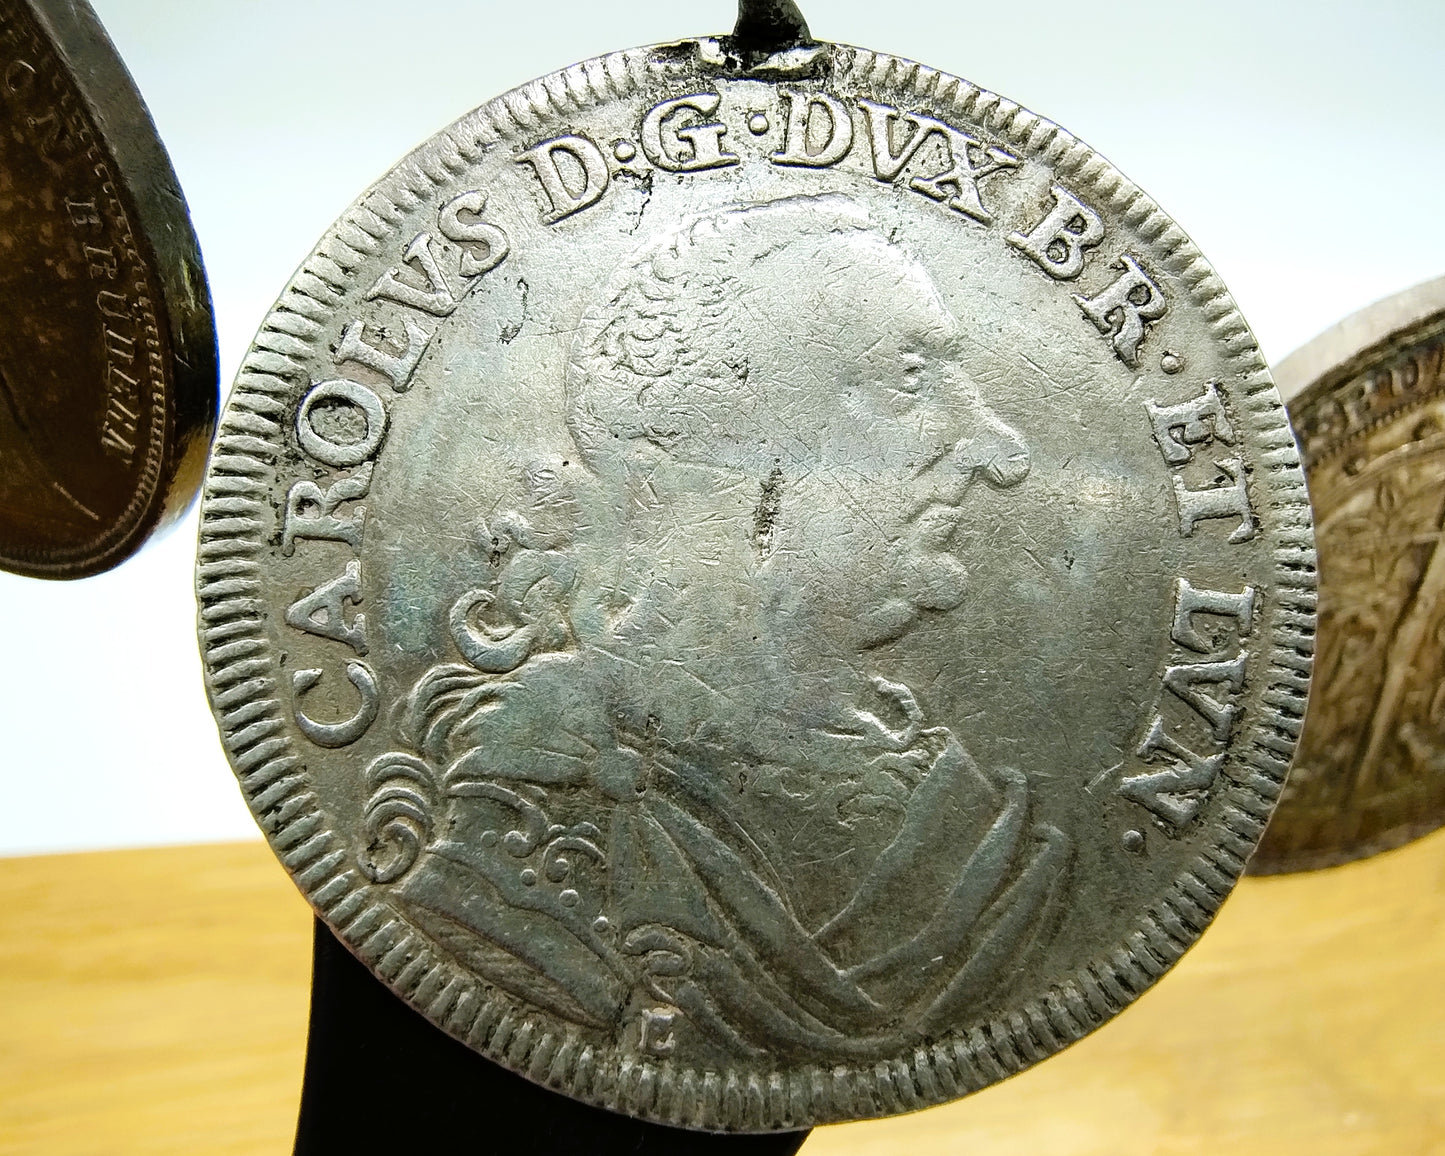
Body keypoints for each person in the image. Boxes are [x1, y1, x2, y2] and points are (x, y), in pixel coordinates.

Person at [367, 195, 1070, 1059]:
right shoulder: (533, 825)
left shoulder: (949, 793)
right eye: (909, 380)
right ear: (730, 452)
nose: (995, 446)